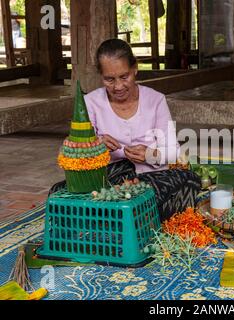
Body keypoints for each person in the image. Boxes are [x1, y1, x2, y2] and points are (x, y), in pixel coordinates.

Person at [50, 38, 201, 221]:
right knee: (58, 192)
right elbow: (74, 152)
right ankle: (132, 214)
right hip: (110, 179)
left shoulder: (155, 100)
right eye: (109, 79)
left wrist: (150, 155)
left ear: (135, 69)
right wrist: (96, 145)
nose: (118, 86)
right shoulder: (91, 102)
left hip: (151, 178)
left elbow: (174, 152)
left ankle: (113, 214)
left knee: (190, 179)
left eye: (124, 77)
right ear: (101, 76)